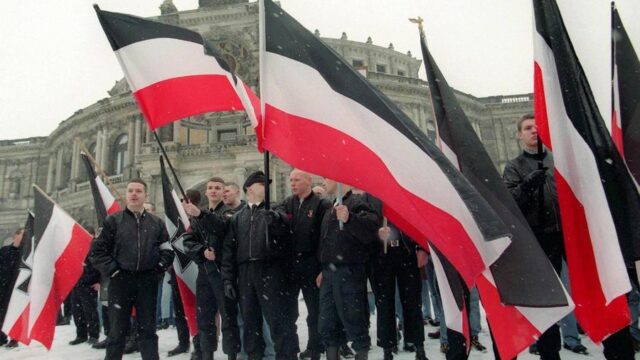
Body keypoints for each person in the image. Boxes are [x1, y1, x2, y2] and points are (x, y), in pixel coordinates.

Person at [504, 114, 635, 359]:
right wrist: (528, 186)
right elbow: (509, 203)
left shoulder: (560, 160)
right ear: (519, 135)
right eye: (528, 128)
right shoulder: (514, 166)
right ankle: (549, 351)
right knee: (549, 300)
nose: (534, 131)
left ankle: (613, 344)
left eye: (537, 126)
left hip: (571, 234)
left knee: (592, 288)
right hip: (541, 239)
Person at [91, 178, 174, 360]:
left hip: (147, 282)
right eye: (130, 191)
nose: (134, 194)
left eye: (138, 191)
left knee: (148, 330)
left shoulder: (156, 223)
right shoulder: (113, 221)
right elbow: (97, 252)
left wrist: (158, 269)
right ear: (126, 195)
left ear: (146, 195)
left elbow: (167, 250)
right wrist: (113, 271)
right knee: (117, 331)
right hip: (120, 282)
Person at [221, 170, 299, 360]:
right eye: (262, 184)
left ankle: (286, 356)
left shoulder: (275, 209)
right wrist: (228, 280)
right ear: (249, 188)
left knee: (279, 321)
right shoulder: (238, 218)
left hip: (270, 271)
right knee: (251, 323)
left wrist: (275, 220)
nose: (266, 188)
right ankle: (254, 355)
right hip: (246, 273)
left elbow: (286, 228)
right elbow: (229, 251)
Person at [316, 178, 379, 360]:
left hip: (349, 272)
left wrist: (351, 218)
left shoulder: (357, 204)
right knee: (327, 322)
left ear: (339, 180)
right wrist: (323, 268)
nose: (323, 181)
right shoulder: (330, 208)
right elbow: (325, 243)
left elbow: (371, 230)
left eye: (327, 178)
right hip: (329, 273)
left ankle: (361, 353)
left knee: (355, 320)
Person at [362, 193, 428, 360]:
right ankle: (387, 347)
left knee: (413, 302)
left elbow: (420, 219)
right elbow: (363, 226)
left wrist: (422, 247)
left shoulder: (402, 186)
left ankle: (418, 346)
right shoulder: (368, 197)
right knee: (384, 304)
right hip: (381, 256)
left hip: (406, 252)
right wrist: (376, 233)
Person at [183, 177, 242, 360]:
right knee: (205, 317)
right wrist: (201, 252)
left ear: (224, 191)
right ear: (206, 192)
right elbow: (188, 241)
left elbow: (221, 227)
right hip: (205, 272)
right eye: (210, 188)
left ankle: (232, 354)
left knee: (228, 318)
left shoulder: (230, 212)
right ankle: (206, 354)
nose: (214, 191)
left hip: (224, 272)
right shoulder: (198, 215)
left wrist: (201, 215)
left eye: (218, 188)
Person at [276, 169, 332, 360]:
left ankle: (315, 348)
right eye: (291, 180)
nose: (293, 183)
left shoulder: (321, 204)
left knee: (315, 311)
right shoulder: (287, 203)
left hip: (311, 263)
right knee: (288, 311)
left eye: (297, 179)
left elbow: (326, 238)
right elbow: (277, 218)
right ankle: (290, 350)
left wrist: (322, 267)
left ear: (308, 181)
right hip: (290, 265)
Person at [167, 190, 201, 358]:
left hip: (196, 273)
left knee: (195, 310)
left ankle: (198, 343)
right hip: (177, 272)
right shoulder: (176, 221)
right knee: (179, 310)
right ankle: (183, 342)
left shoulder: (198, 220)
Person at [69, 226, 101, 346]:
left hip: (90, 283)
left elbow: (99, 266)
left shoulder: (96, 247)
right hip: (77, 282)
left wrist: (99, 281)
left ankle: (94, 334)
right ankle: (81, 334)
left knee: (90, 310)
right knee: (77, 310)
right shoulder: (78, 247)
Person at [0, 227, 24, 348]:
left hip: (17, 288)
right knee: (1, 312)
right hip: (3, 285)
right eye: (22, 234)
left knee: (15, 312)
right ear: (16, 235)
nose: (23, 237)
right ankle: (1, 337)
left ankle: (15, 338)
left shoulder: (25, 254)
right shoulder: (4, 250)